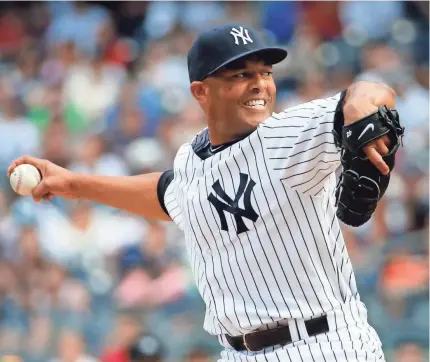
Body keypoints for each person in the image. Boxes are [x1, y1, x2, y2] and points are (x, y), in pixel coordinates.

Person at [8, 24, 402, 361]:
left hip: (324, 344)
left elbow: (371, 92)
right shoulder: (192, 160)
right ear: (201, 92)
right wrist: (72, 183)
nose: (260, 84)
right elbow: (168, 195)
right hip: (237, 351)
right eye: (239, 75)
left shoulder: (288, 135)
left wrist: (360, 109)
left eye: (265, 72)